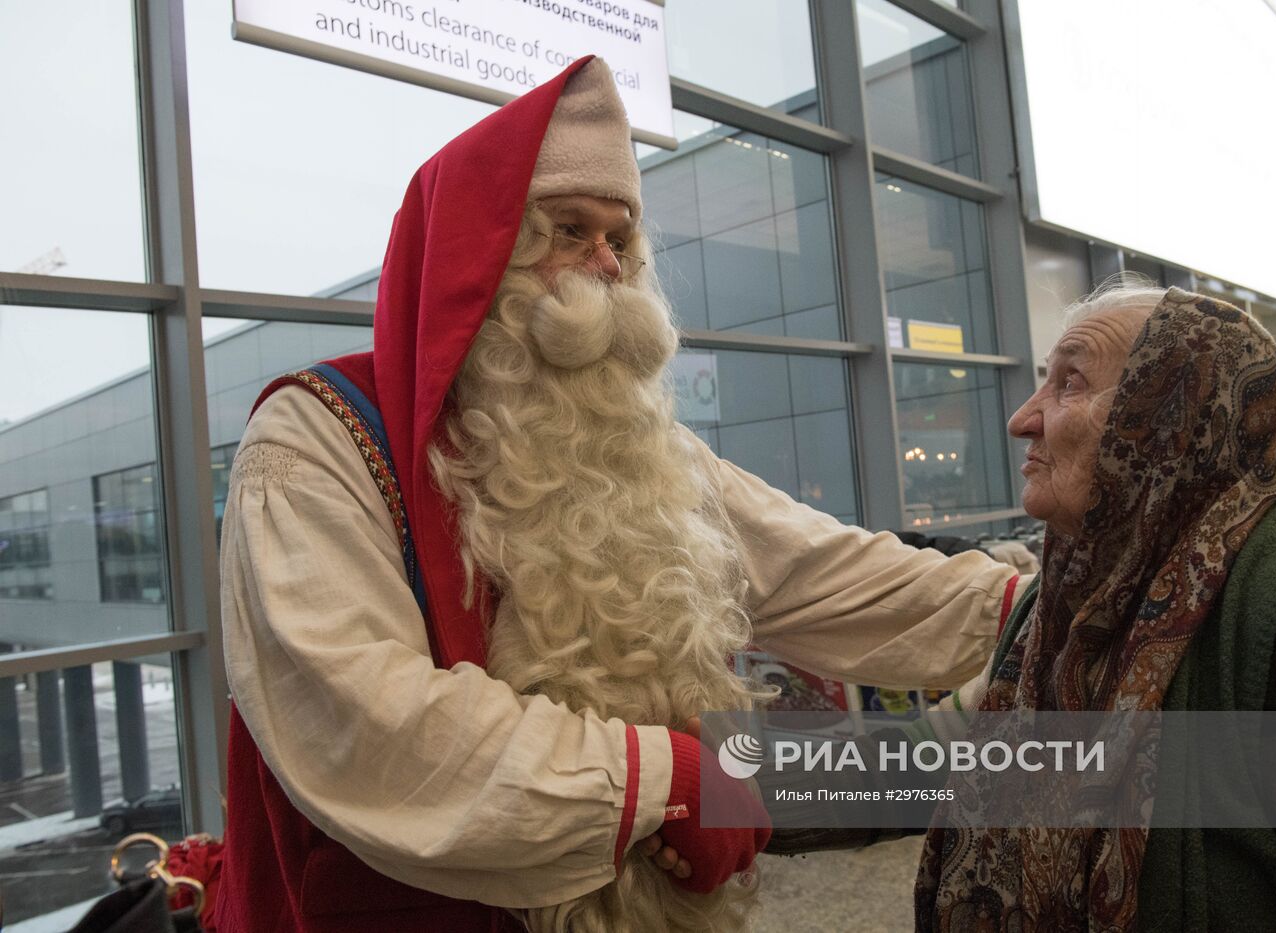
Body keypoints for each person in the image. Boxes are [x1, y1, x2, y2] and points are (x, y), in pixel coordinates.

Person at [214, 57, 1025, 932]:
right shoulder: (319, 436)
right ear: (479, 258)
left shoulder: (635, 448)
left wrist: (1026, 604)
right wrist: (662, 782)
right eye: (569, 231)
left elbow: (822, 572)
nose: (605, 265)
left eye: (620, 241)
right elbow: (362, 717)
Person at [914, 283, 1276, 931]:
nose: (1022, 419)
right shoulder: (1065, 593)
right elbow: (930, 756)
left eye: (1069, 383)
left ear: (1173, 417)